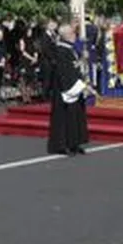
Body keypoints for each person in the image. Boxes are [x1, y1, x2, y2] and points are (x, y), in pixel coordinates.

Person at [46, 24, 90, 156]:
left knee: (76, 116)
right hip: (65, 89)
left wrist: (83, 59)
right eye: (72, 33)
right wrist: (75, 86)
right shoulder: (60, 50)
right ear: (66, 35)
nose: (75, 36)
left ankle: (75, 143)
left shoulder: (71, 49)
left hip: (75, 87)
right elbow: (64, 72)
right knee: (64, 118)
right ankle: (63, 145)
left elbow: (75, 67)